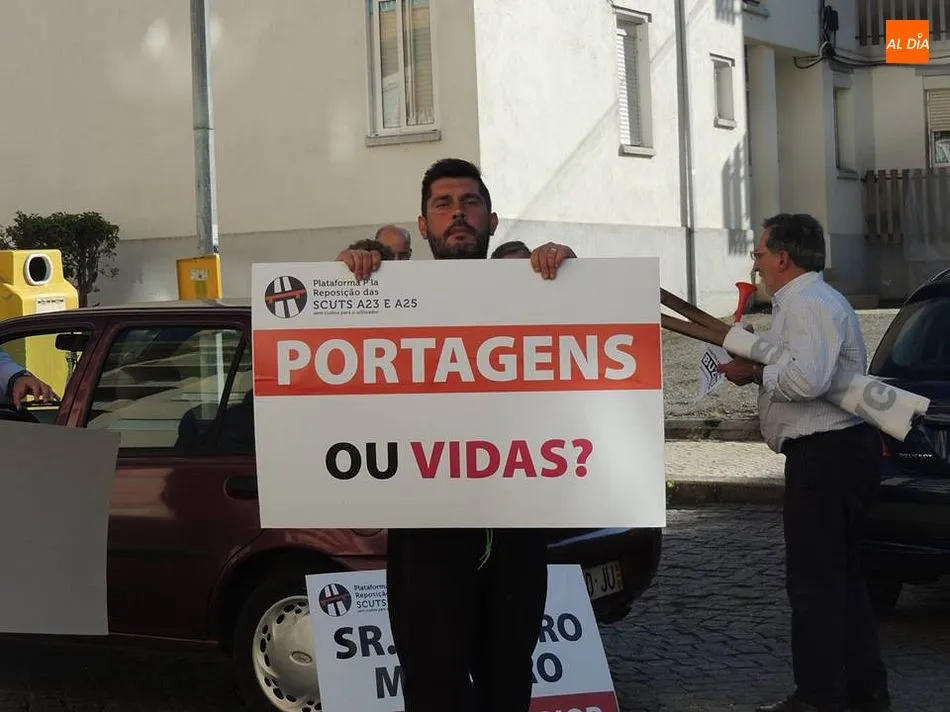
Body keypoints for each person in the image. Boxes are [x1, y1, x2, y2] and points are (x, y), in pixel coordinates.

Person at [337, 157, 576, 712]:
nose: (458, 214)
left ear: (492, 220)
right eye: (443, 205)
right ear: (424, 226)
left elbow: (587, 339)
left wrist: (574, 274)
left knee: (507, 685)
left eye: (470, 202)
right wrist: (347, 271)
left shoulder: (538, 291)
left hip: (513, 532)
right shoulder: (383, 299)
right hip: (427, 535)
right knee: (433, 688)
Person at [718, 213, 890, 712]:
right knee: (843, 580)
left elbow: (807, 380)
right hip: (835, 453)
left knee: (816, 583)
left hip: (826, 455)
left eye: (759, 253)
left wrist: (754, 373)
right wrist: (756, 353)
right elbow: (799, 365)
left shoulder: (809, 303)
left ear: (783, 257)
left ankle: (819, 697)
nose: (755, 264)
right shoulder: (808, 301)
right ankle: (862, 692)